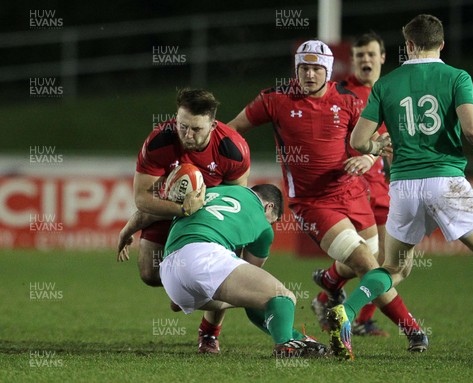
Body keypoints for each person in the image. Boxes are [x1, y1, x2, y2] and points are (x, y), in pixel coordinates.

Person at [329, 14, 473, 366]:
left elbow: (358, 141)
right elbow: (472, 129)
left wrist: (377, 149)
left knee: (395, 269)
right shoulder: (456, 77)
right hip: (445, 181)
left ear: (408, 46)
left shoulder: (386, 85)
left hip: (402, 185)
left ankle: (348, 309)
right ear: (442, 44)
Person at [227, 39, 427, 353]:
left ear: (328, 70)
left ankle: (332, 282)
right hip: (312, 203)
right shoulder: (275, 99)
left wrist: (367, 157)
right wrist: (220, 165)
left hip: (353, 194)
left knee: (380, 264)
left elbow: (376, 143)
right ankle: (412, 330)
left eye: (316, 68)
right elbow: (231, 132)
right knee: (366, 265)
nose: (309, 74)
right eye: (303, 68)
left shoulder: (348, 100)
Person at [310, 32, 427, 344]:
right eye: (359, 55)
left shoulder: (392, 91)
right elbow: (333, 139)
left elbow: (392, 140)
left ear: (383, 57)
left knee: (399, 266)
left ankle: (330, 284)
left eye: (371, 54)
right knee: (377, 263)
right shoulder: (341, 92)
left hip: (386, 188)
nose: (365, 60)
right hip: (355, 190)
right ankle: (371, 318)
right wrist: (363, 154)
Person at [116, 88, 251, 354]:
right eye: (182, 126)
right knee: (149, 274)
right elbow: (143, 199)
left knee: (220, 277)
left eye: (196, 129)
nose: (187, 135)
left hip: (210, 215)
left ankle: (209, 334)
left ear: (212, 125)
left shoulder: (233, 150)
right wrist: (182, 209)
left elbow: (236, 201)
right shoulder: (159, 142)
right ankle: (184, 289)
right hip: (169, 208)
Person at [160, 183, 327, 357]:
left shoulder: (211, 191)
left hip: (170, 272)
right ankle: (286, 344)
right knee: (282, 296)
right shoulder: (263, 225)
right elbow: (252, 276)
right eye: (273, 220)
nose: (270, 225)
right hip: (203, 257)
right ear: (269, 206)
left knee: (258, 297)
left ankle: (299, 340)